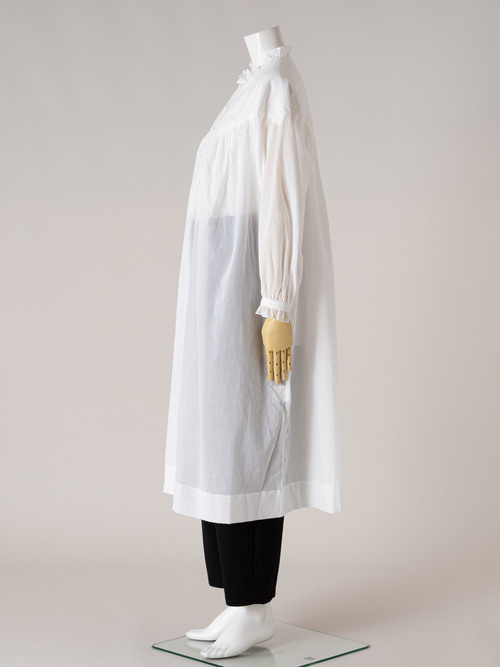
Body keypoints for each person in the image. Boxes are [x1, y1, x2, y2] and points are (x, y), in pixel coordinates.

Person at [163, 25, 342, 659]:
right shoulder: (251, 87)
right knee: (219, 437)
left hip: (247, 280)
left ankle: (252, 603)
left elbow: (283, 196)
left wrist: (279, 301)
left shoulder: (275, 86)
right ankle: (237, 600)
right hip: (216, 281)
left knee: (248, 438)